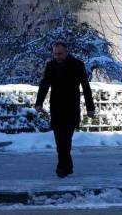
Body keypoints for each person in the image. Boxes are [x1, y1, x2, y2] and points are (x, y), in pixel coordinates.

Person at [35, 41, 95, 178]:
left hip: (71, 108)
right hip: (56, 108)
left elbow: (86, 87)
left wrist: (90, 107)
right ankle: (66, 166)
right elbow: (44, 85)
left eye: (60, 53)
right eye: (55, 54)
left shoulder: (77, 65)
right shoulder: (51, 66)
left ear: (66, 52)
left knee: (66, 139)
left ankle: (62, 166)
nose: (57, 56)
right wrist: (39, 103)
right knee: (59, 141)